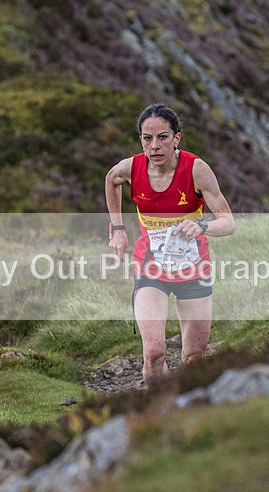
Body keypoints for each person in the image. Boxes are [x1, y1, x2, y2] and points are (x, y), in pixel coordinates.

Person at [105, 103, 236, 387]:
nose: (154, 146)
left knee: (194, 358)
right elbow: (111, 179)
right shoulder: (132, 167)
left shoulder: (196, 170)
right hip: (151, 268)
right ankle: (156, 418)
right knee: (153, 353)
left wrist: (202, 226)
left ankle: (189, 416)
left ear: (177, 138)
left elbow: (228, 222)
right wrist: (117, 228)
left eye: (162, 137)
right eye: (147, 138)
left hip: (193, 269)